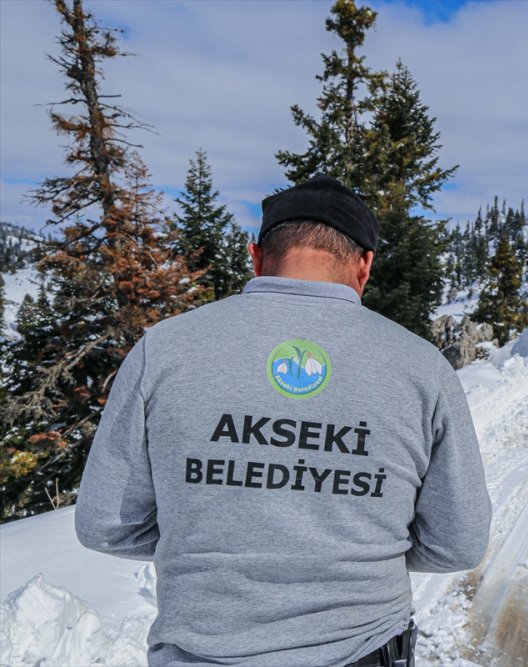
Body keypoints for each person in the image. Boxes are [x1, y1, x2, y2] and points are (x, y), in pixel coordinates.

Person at [75, 176, 492, 667]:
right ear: (364, 265)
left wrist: (207, 539)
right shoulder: (421, 367)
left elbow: (106, 524)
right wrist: (359, 549)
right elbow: (458, 543)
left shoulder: (164, 349)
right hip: (362, 650)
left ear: (256, 256)